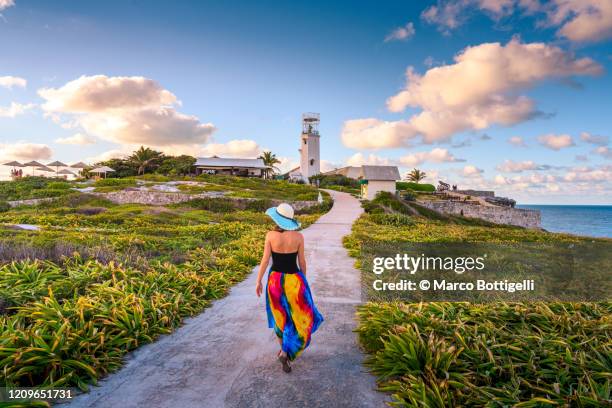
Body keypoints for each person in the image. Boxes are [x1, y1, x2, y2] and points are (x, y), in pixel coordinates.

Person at [255, 203, 323, 373]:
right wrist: (304, 281)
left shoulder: (270, 235)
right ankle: (286, 351)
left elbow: (265, 260)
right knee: (299, 316)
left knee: (280, 317)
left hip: (275, 281)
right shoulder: (299, 237)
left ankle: (283, 350)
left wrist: (258, 281)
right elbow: (302, 262)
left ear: (276, 218)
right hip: (294, 281)